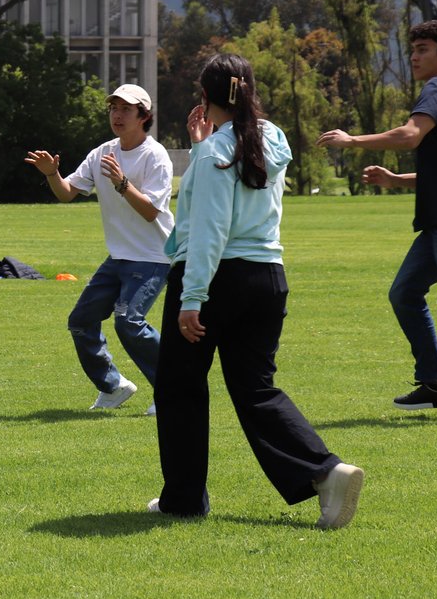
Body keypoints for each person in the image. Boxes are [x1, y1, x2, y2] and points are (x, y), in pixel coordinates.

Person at [150, 54, 363, 529]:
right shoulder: (272, 138)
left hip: (216, 279)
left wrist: (191, 297)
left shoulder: (212, 154)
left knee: (179, 387)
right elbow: (240, 171)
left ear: (205, 98)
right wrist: (205, 147)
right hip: (268, 277)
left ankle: (183, 499)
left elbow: (210, 230)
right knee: (255, 389)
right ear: (248, 91)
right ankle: (326, 472)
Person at [317, 19, 437, 410]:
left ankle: (436, 383)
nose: (414, 56)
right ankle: (436, 384)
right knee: (404, 293)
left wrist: (352, 140)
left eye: (422, 49)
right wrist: (394, 179)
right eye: (413, 48)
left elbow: (409, 135)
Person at [25, 84, 173, 414]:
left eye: (125, 109)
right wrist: (53, 174)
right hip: (119, 258)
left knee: (129, 322)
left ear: (144, 116)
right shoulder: (102, 152)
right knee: (80, 321)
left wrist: (122, 183)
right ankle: (113, 386)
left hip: (152, 257)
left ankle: (173, 388)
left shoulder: (155, 156)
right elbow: (66, 193)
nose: (117, 115)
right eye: (113, 109)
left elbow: (151, 211)